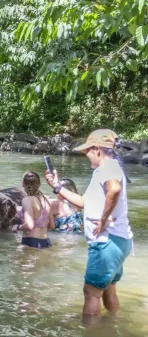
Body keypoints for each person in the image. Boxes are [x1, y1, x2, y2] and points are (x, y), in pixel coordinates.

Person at [45, 129, 133, 320]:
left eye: (87, 152)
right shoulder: (108, 169)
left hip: (106, 243)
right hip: (118, 242)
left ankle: (91, 333)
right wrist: (57, 187)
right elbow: (83, 203)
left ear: (97, 149)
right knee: (108, 290)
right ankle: (112, 327)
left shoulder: (107, 167)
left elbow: (115, 189)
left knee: (91, 293)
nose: (86, 156)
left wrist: (103, 219)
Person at [12, 171, 55, 248]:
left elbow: (29, 225)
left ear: (22, 183)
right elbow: (52, 226)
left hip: (31, 243)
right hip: (46, 242)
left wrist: (17, 227)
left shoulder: (27, 200)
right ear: (39, 184)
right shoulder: (46, 200)